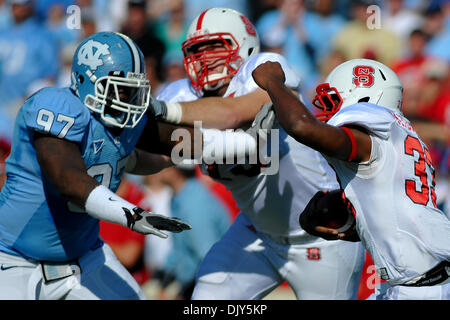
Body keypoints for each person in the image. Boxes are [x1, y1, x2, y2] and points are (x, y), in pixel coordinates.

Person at [151, 7, 365, 300]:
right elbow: (156, 159)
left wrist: (165, 112)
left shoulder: (264, 68)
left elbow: (232, 113)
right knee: (206, 299)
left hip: (321, 235)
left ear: (244, 44)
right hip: (256, 231)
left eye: (215, 46)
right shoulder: (181, 94)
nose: (205, 58)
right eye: (197, 50)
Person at [0, 31, 191, 300]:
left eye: (134, 91)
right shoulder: (57, 106)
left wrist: (241, 147)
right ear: (86, 81)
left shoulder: (122, 124)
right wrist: (132, 215)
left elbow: (185, 144)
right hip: (12, 260)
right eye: (121, 90)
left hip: (85, 259)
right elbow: (68, 179)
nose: (129, 101)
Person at [251, 58, 450, 300]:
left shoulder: (370, 133)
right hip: (420, 280)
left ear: (365, 99)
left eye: (332, 101)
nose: (327, 112)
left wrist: (273, 82)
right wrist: (349, 216)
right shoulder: (398, 138)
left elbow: (301, 126)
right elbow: (393, 212)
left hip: (419, 288)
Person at [158, 164, 231, 300]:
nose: (158, 164)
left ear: (176, 170)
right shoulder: (181, 197)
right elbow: (179, 252)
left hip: (210, 288)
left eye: (165, 162)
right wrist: (164, 284)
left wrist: (180, 293)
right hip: (195, 284)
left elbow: (208, 257)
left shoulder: (194, 202)